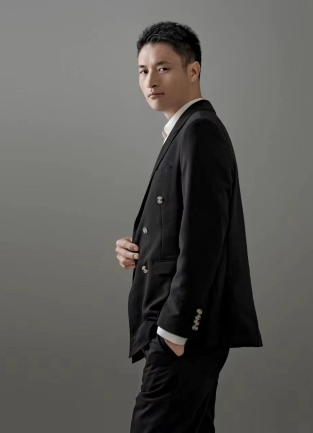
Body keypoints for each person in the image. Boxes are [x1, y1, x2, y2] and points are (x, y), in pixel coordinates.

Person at [114, 21, 263, 433]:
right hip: (183, 333)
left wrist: (174, 332)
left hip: (183, 333)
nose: (150, 80)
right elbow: (181, 226)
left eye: (163, 68)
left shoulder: (199, 132)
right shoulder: (184, 131)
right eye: (143, 70)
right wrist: (137, 247)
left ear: (193, 71)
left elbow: (204, 241)